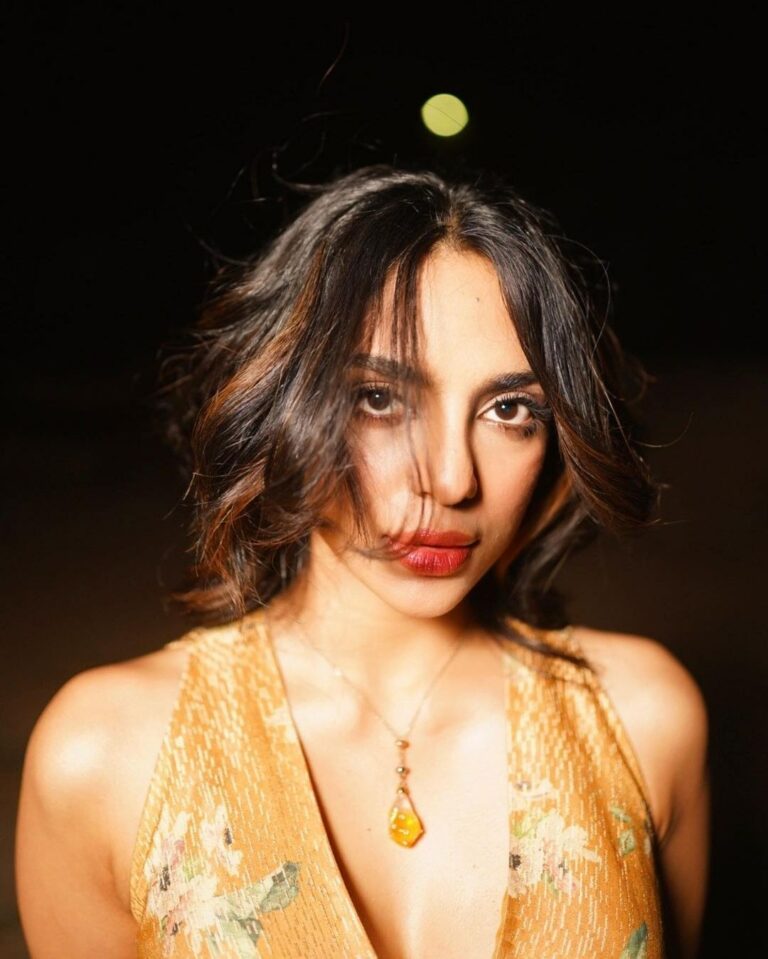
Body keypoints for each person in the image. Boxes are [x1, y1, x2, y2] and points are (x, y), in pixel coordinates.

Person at [15, 164, 710, 959]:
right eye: (379, 398)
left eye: (509, 409)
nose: (451, 479)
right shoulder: (105, 758)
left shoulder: (645, 722)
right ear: (285, 400)